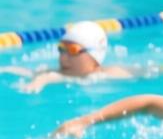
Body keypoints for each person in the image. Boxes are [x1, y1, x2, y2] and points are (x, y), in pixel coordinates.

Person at [0, 21, 132, 93]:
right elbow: (32, 73)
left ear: (95, 56)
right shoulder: (55, 72)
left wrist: (42, 81)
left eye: (73, 50)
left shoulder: (115, 74)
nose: (63, 57)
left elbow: (49, 78)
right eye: (61, 49)